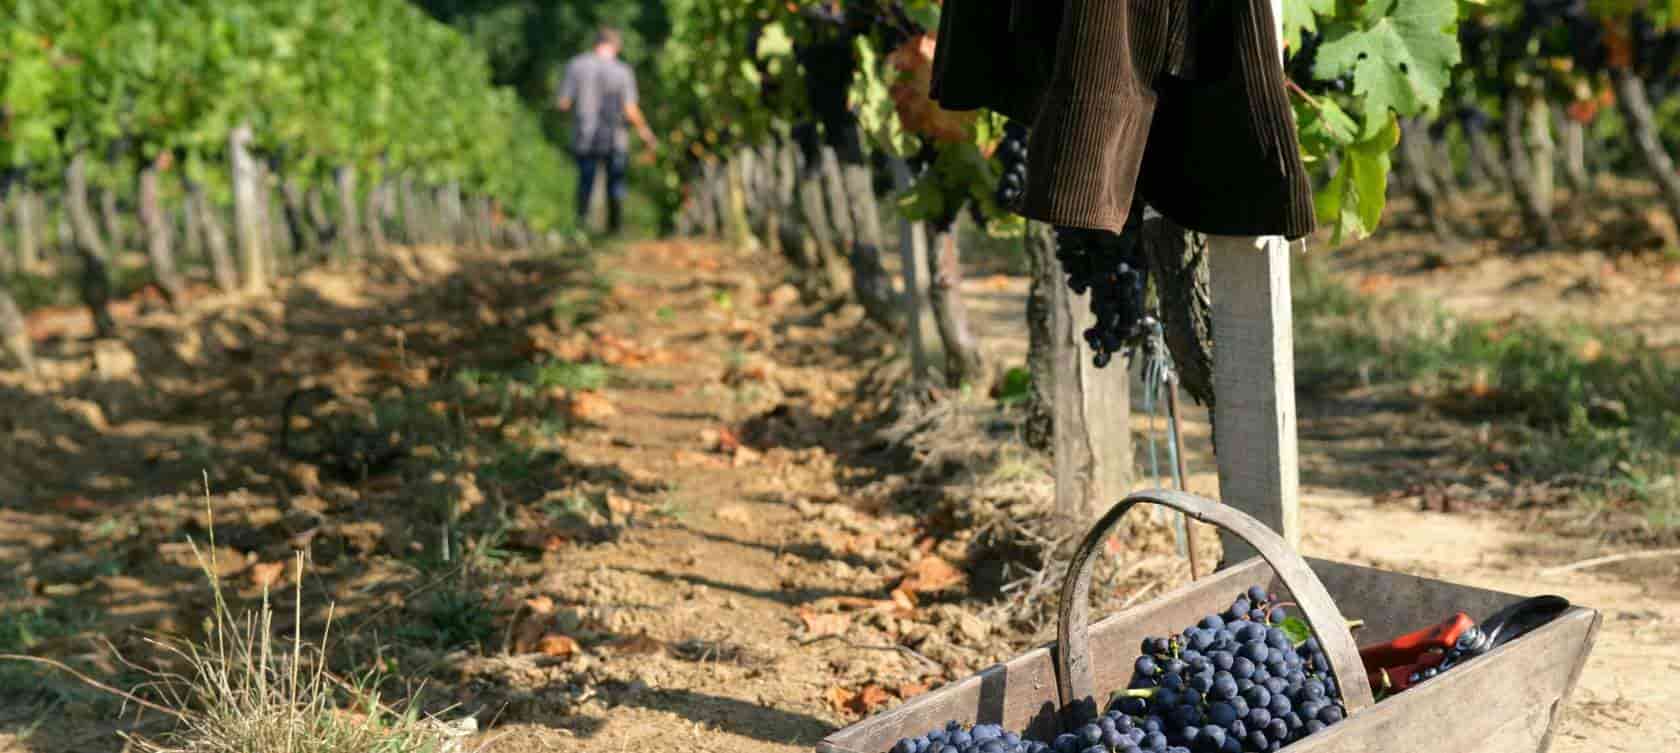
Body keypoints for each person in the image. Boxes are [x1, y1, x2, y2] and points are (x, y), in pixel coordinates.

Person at [558, 27, 657, 234]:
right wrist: (645, 132)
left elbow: (564, 103)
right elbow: (630, 110)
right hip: (615, 138)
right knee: (616, 185)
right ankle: (614, 231)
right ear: (615, 46)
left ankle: (581, 229)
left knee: (585, 183)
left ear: (596, 43)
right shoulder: (622, 71)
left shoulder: (576, 65)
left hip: (585, 136)